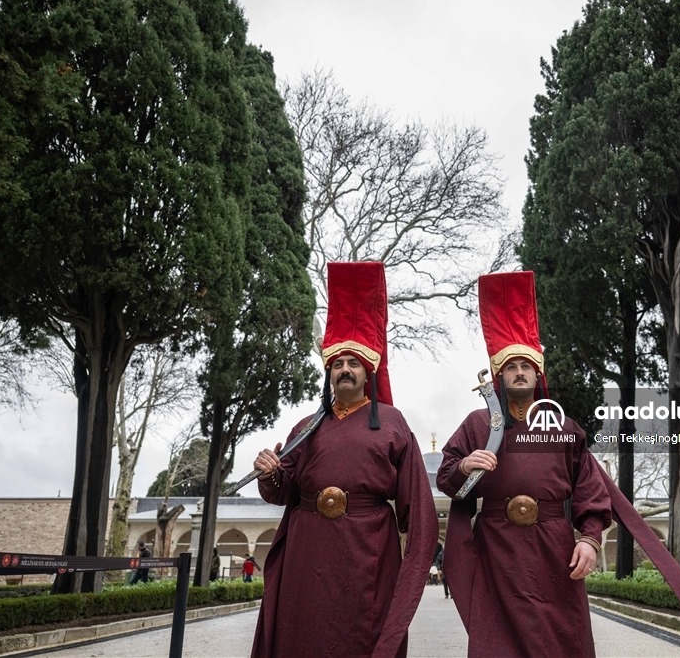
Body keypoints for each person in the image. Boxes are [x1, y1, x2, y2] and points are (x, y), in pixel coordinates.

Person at [250, 262, 438, 658]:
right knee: (302, 635)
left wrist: (416, 562)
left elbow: (417, 508)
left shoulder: (392, 423)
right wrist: (269, 474)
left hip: (367, 553)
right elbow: (284, 490)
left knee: (360, 635)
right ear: (329, 373)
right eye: (339, 364)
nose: (346, 370)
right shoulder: (307, 425)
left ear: (367, 370)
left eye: (354, 363)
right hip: (308, 552)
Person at [438, 271, 613, 658]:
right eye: (511, 367)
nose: (519, 372)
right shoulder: (478, 423)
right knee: (498, 641)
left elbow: (589, 491)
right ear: (499, 376)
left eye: (526, 366)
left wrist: (589, 538)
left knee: (559, 639)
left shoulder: (565, 427)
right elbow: (446, 479)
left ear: (538, 374)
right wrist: (466, 465)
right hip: (497, 548)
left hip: (554, 548)